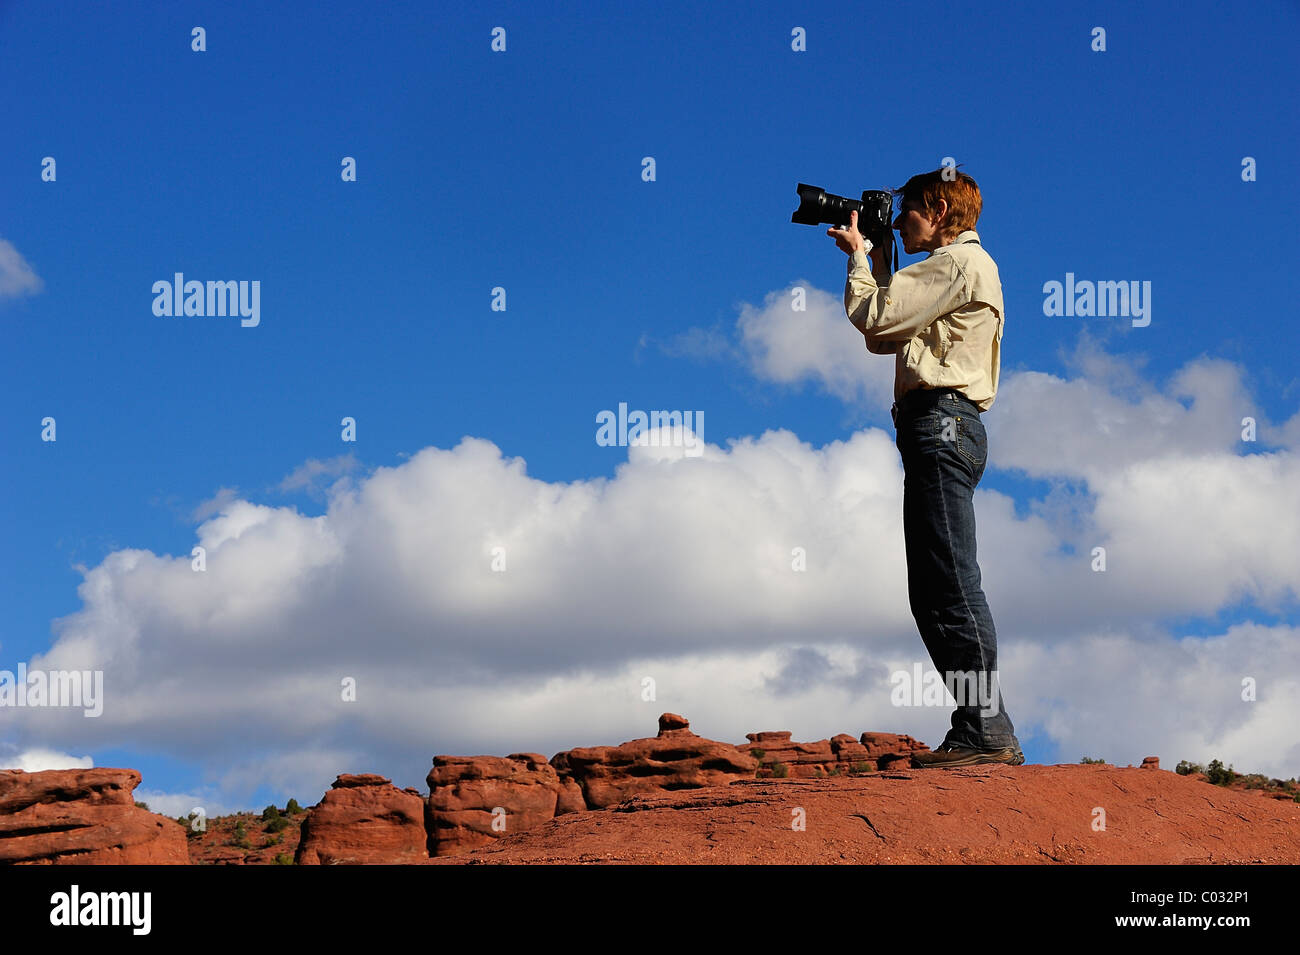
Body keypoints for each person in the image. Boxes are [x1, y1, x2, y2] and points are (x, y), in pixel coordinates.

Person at [827, 167, 1024, 768]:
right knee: (936, 587)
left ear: (938, 209)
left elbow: (876, 319)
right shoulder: (957, 269)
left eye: (908, 209)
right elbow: (886, 335)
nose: (901, 219)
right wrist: (879, 261)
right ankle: (981, 725)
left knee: (950, 584)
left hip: (941, 421)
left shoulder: (958, 262)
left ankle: (985, 730)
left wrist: (861, 256)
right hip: (941, 427)